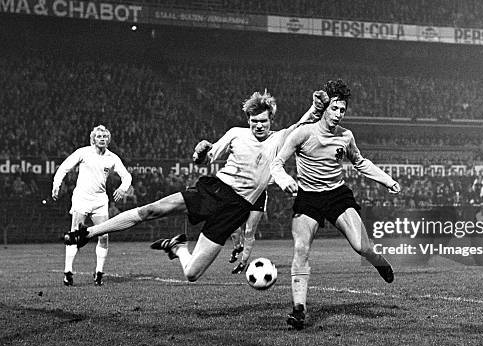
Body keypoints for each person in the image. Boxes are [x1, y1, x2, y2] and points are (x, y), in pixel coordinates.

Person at [64, 91, 322, 283]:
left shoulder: (279, 139)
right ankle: (87, 234)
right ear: (248, 119)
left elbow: (300, 125)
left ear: (271, 121)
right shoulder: (236, 134)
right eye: (254, 120)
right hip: (215, 190)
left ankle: (178, 247)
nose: (258, 125)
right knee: (151, 210)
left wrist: (315, 106)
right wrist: (200, 152)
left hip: (236, 210)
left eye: (263, 121)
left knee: (191, 274)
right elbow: (206, 158)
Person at [271, 79, 401, 330]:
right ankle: (299, 309)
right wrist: (284, 180)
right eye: (334, 109)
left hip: (336, 195)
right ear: (325, 108)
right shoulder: (303, 132)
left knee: (362, 246)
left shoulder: (345, 136)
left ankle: (378, 260)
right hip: (308, 197)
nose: (339, 114)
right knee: (300, 249)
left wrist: (388, 181)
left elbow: (360, 162)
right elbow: (276, 163)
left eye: (342, 110)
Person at [52, 125, 132, 286]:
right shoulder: (84, 152)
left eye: (104, 136)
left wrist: (123, 189)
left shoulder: (112, 157)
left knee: (104, 236)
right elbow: (65, 167)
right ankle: (68, 272)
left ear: (108, 140)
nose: (102, 138)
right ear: (93, 139)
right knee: (74, 234)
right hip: (82, 198)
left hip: (100, 201)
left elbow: (127, 176)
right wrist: (56, 184)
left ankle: (99, 273)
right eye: (99, 136)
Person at [228, 190, 267, 274]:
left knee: (249, 231)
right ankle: (237, 247)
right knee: (233, 226)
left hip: (258, 196)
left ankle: (243, 263)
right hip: (242, 193)